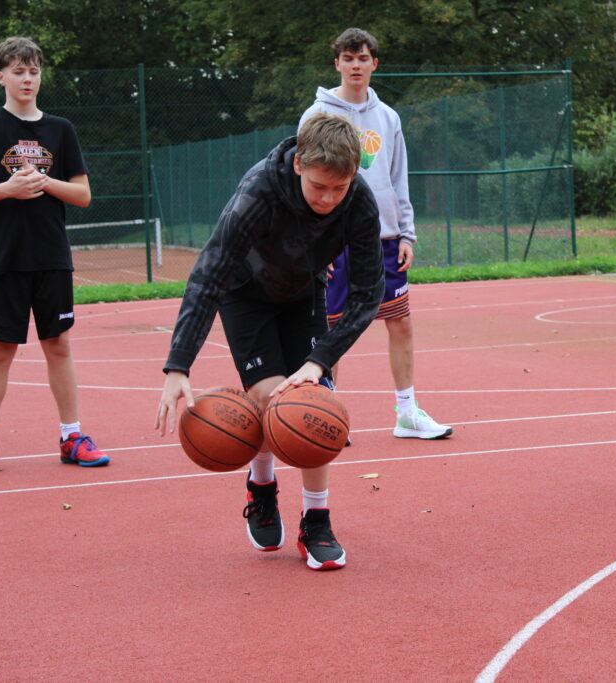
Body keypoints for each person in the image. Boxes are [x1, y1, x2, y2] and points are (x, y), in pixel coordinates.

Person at [155, 111, 384, 571]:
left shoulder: (358, 200)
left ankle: (316, 521)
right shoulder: (258, 191)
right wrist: (178, 364)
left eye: (339, 188)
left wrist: (319, 361)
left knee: (311, 402)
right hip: (245, 295)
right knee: (268, 395)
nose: (329, 198)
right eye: (319, 186)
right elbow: (209, 274)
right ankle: (262, 487)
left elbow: (367, 295)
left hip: (303, 290)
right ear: (299, 164)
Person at [0, 36, 108, 479]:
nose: (27, 79)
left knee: (58, 344)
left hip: (50, 254)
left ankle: (72, 437)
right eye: (18, 71)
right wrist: (7, 189)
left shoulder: (61, 130)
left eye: (34, 71)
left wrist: (42, 181)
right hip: (2, 255)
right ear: (0, 76)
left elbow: (83, 194)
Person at [299, 27, 452, 440]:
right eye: (348, 58)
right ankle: (326, 415)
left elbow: (399, 177)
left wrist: (406, 234)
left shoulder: (388, 118)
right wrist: (314, 242)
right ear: (337, 63)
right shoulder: (317, 115)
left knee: (400, 322)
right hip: (334, 242)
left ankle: (407, 413)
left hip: (383, 239)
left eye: (363, 58)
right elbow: (305, 182)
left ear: (374, 64)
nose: (355, 66)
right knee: (331, 329)